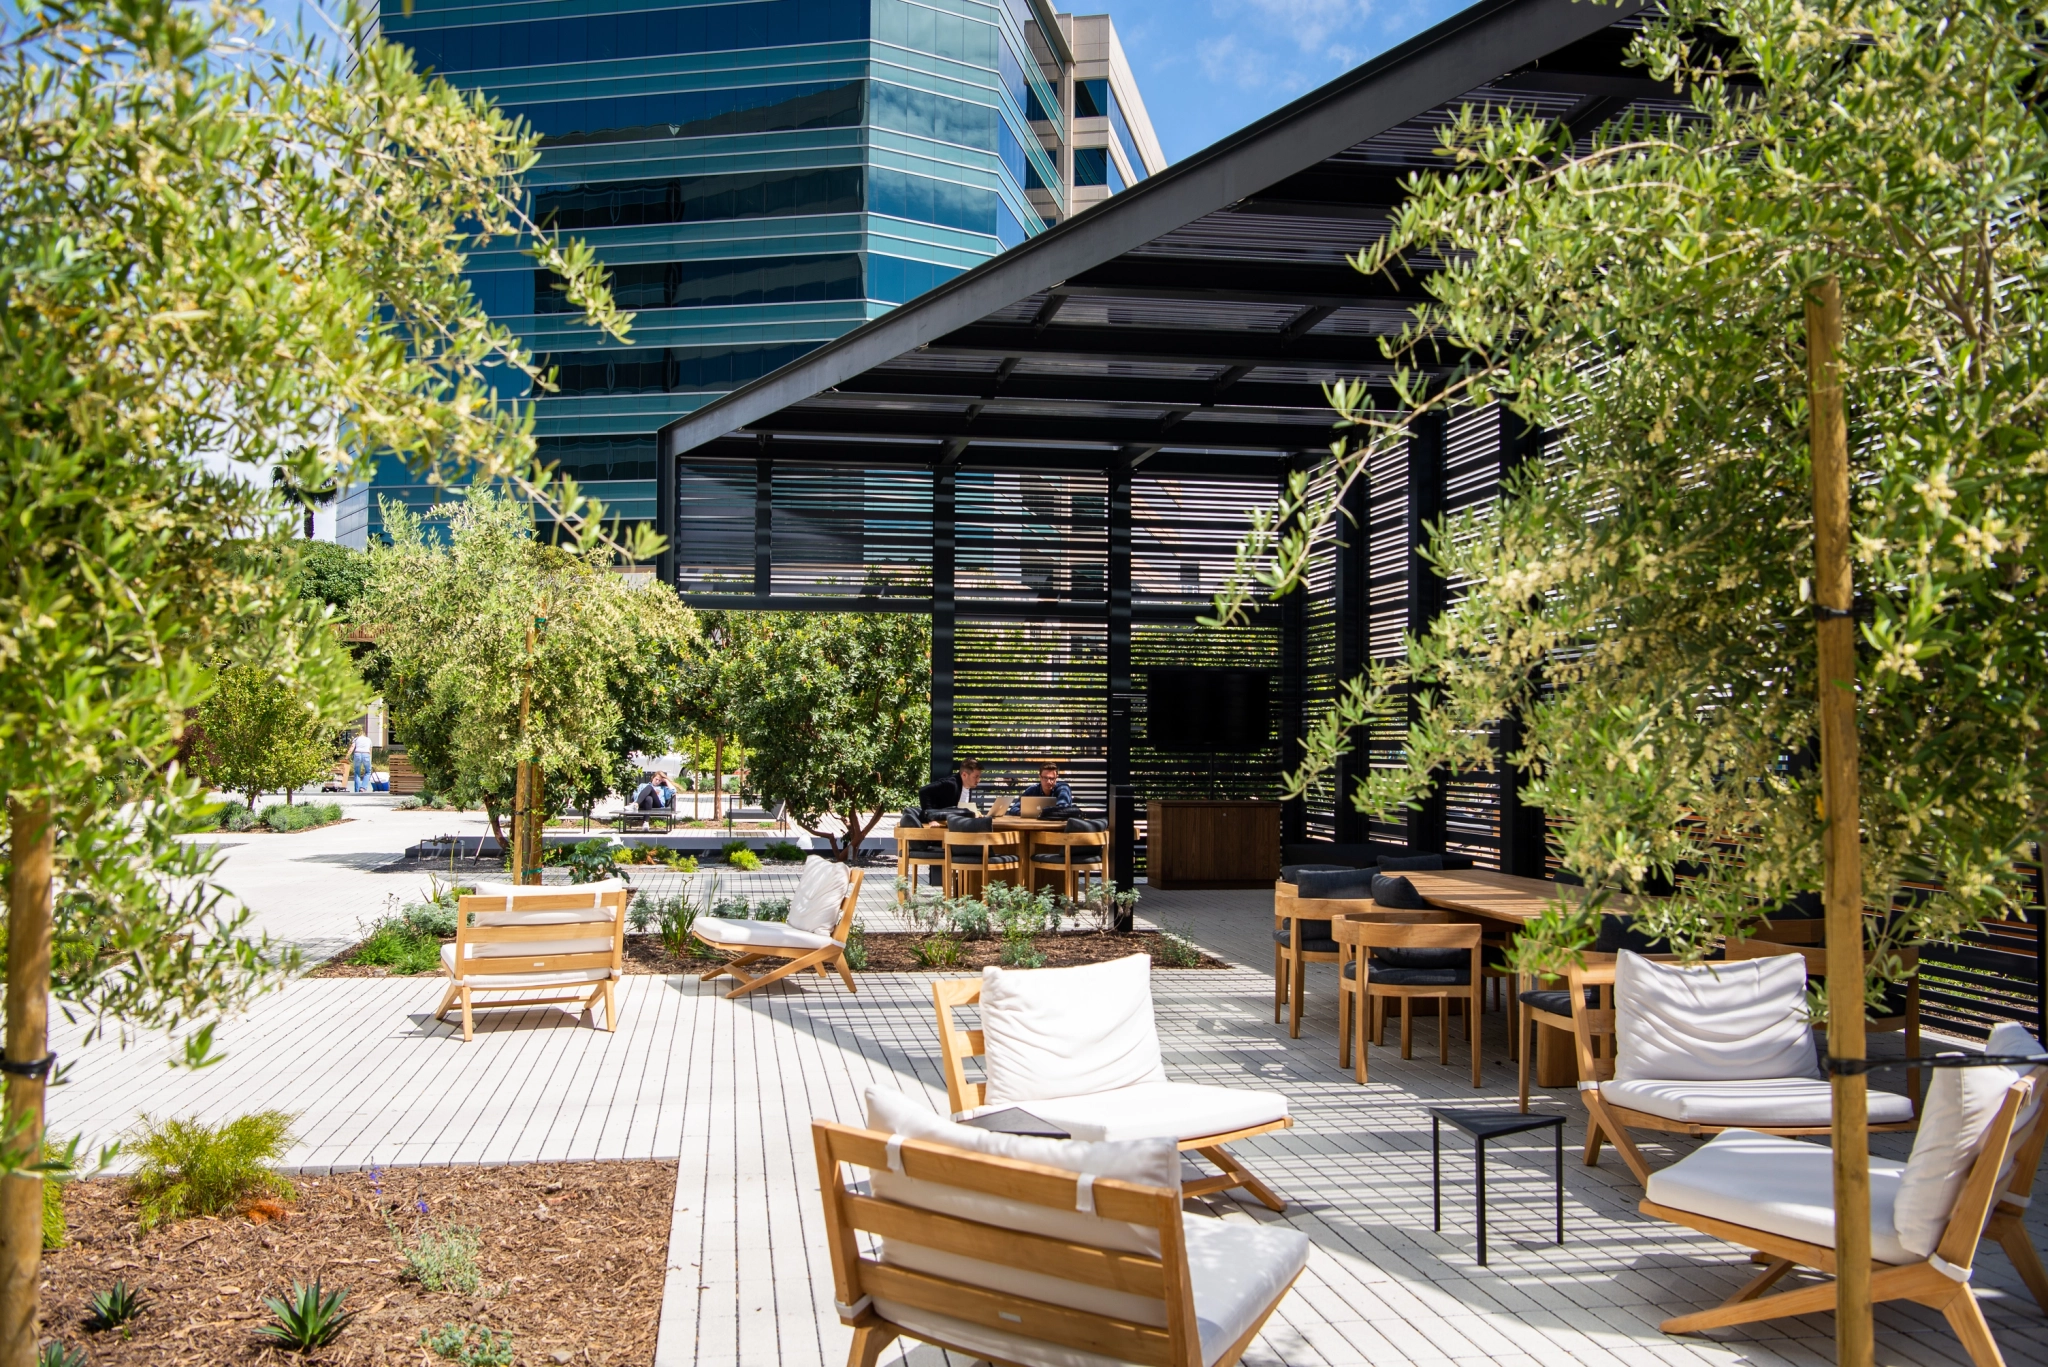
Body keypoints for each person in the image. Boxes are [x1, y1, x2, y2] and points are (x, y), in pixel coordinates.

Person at [918, 759, 982, 814]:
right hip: (936, 824)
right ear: (964, 775)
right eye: (976, 777)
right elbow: (923, 791)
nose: (978, 780)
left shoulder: (968, 786)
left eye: (979, 777)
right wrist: (930, 816)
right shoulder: (951, 784)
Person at [1008, 761, 1074, 815]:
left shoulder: (1063, 788)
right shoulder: (1033, 790)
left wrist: (1041, 812)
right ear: (1040, 777)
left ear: (1056, 778)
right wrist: (1024, 813)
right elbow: (1014, 808)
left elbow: (1062, 808)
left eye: (1052, 778)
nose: (1048, 781)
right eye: (1045, 778)